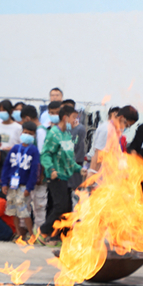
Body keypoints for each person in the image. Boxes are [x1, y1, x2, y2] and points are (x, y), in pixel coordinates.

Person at [38, 104, 81, 245]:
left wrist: (79, 168)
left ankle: (63, 237)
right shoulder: (53, 134)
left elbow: (69, 159)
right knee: (60, 206)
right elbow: (45, 154)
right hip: (56, 177)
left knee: (67, 208)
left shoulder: (67, 135)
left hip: (66, 176)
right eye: (74, 117)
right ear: (65, 117)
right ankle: (43, 231)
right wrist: (51, 170)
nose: (76, 120)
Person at [1, 121, 40, 238]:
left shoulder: (34, 151)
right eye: (25, 132)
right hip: (12, 185)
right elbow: (6, 166)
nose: (27, 135)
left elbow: (34, 170)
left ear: (34, 136)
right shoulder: (15, 148)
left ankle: (31, 234)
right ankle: (19, 234)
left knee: (24, 210)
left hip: (24, 186)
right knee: (13, 210)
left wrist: (29, 187)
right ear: (21, 132)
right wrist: (3, 183)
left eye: (30, 134)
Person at [88, 105, 138, 171]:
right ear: (121, 118)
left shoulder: (115, 131)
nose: (125, 127)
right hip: (100, 174)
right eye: (127, 125)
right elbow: (98, 155)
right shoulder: (106, 129)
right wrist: (92, 172)